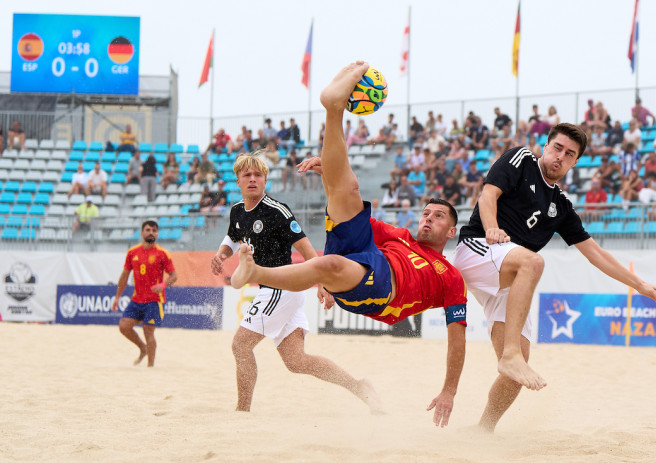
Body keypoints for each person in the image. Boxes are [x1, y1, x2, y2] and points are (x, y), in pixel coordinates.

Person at [231, 62, 468, 428]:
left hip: (383, 292)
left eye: (438, 217)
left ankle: (255, 273)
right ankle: (333, 109)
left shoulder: (451, 276)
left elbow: (456, 338)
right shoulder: (401, 237)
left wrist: (449, 390)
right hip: (372, 256)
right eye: (426, 212)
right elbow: (347, 205)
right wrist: (331, 173)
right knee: (347, 190)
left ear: (451, 231)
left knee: (329, 266)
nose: (428, 218)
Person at [452, 122, 656, 432]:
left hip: (510, 274)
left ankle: (483, 430)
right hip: (479, 248)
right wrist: (491, 228)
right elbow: (488, 196)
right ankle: (510, 353)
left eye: (569, 154)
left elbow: (595, 253)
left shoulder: (561, 207)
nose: (560, 157)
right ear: (546, 145)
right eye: (557, 148)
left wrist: (641, 285)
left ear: (575, 162)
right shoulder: (521, 159)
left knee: (516, 374)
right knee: (534, 263)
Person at [208, 153, 381, 413]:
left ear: (265, 180)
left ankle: (242, 412)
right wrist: (221, 254)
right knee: (296, 361)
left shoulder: (277, 211)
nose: (253, 179)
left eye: (258, 175)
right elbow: (232, 238)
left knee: (240, 345)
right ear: (238, 181)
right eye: (247, 175)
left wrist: (322, 282)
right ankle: (359, 386)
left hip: (283, 287)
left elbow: (305, 246)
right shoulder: (236, 211)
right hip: (275, 291)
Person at [111, 220, 178, 367]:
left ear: (157, 234)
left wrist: (163, 284)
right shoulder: (132, 252)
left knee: (148, 331)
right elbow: (124, 276)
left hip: (155, 300)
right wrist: (117, 297)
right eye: (148, 230)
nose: (151, 233)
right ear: (142, 233)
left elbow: (174, 276)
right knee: (124, 326)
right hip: (137, 299)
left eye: (154, 230)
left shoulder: (162, 253)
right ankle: (142, 348)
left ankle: (150, 367)